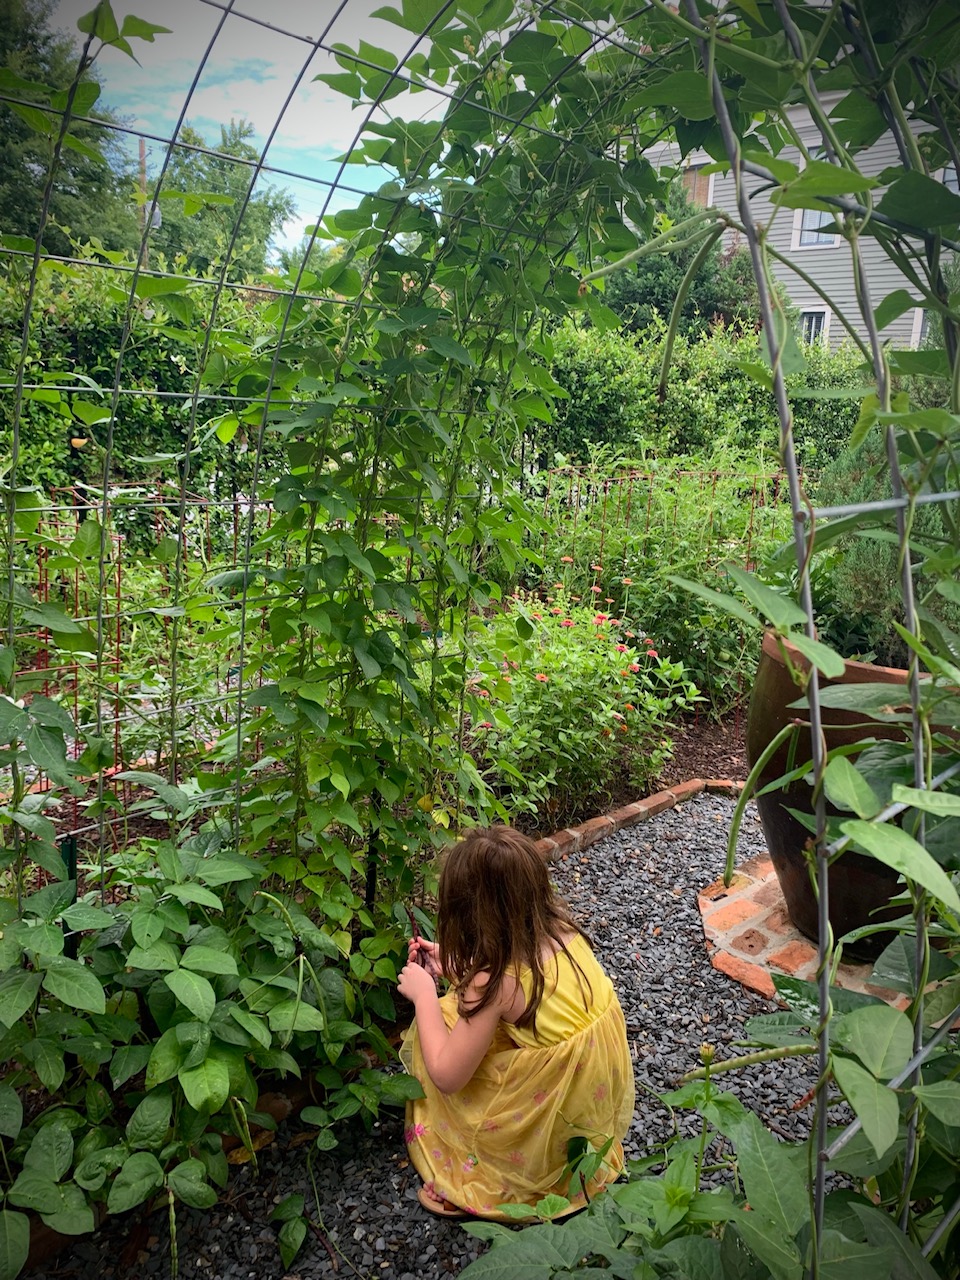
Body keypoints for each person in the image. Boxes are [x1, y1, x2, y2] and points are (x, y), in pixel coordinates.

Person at [397, 825, 635, 1220]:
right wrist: (457, 968)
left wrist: (424, 994)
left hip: (546, 1119)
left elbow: (447, 1075)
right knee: (466, 1014)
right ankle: (572, 1165)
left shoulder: (492, 982)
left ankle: (479, 1177)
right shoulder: (562, 933)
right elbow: (522, 995)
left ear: (466, 913)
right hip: (588, 1106)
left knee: (439, 1017)